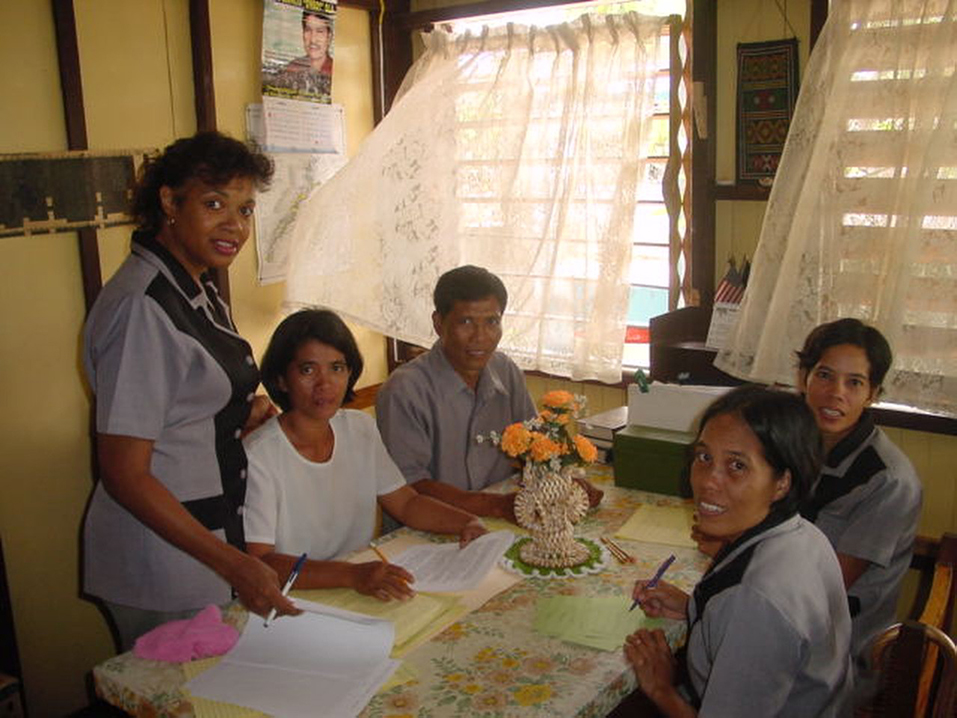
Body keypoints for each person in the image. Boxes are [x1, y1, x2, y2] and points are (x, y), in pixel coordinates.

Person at [82, 131, 296, 651]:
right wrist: (233, 563)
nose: (234, 225)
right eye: (214, 203)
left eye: (245, 210)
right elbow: (125, 472)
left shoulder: (192, 284)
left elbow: (177, 403)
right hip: (163, 556)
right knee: (180, 698)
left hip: (204, 537)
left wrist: (235, 414)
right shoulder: (143, 307)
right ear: (169, 203)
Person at [623, 386, 852, 717]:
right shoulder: (803, 534)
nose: (708, 482)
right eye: (704, 458)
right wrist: (696, 609)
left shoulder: (757, 599)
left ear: (782, 483)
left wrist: (662, 689)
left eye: (737, 466)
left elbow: (759, 613)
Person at [243, 309, 488, 601]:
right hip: (296, 597)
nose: (325, 383)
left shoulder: (359, 428)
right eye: (308, 370)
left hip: (361, 584)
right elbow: (261, 561)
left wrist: (467, 522)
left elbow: (407, 503)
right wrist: (350, 575)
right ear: (282, 379)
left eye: (337, 368)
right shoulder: (260, 454)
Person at [375, 265, 603, 522]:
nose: (480, 337)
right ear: (439, 324)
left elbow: (536, 446)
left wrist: (564, 479)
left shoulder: (505, 371)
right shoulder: (404, 390)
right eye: (466, 322)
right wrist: (496, 506)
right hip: (428, 529)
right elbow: (408, 486)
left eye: (492, 322)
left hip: (498, 518)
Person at [795, 318, 922, 666]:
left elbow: (826, 587)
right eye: (824, 375)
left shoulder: (889, 481)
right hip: (783, 604)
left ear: (873, 394)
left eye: (854, 382)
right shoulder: (794, 443)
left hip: (834, 648)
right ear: (803, 377)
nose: (836, 392)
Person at [272, 9, 334, 101]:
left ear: (329, 37)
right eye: (308, 30)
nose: (313, 39)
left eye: (320, 31)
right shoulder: (291, 69)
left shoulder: (337, 73)